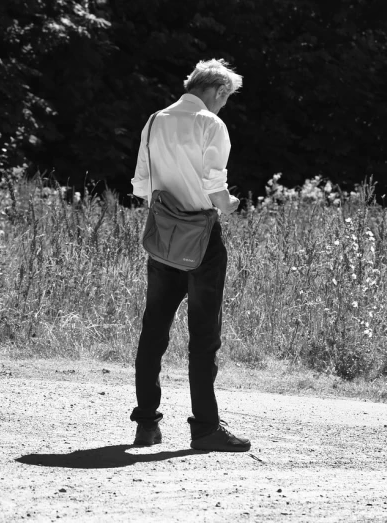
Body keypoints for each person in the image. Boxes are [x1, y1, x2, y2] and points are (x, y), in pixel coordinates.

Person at [129, 59, 250, 452]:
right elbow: (216, 190)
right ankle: (205, 429)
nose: (223, 105)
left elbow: (142, 186)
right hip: (202, 237)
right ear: (218, 91)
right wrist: (230, 204)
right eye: (226, 98)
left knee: (154, 331)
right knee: (203, 336)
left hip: (164, 234)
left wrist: (171, 203)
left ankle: (146, 425)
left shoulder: (154, 120)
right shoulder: (210, 124)